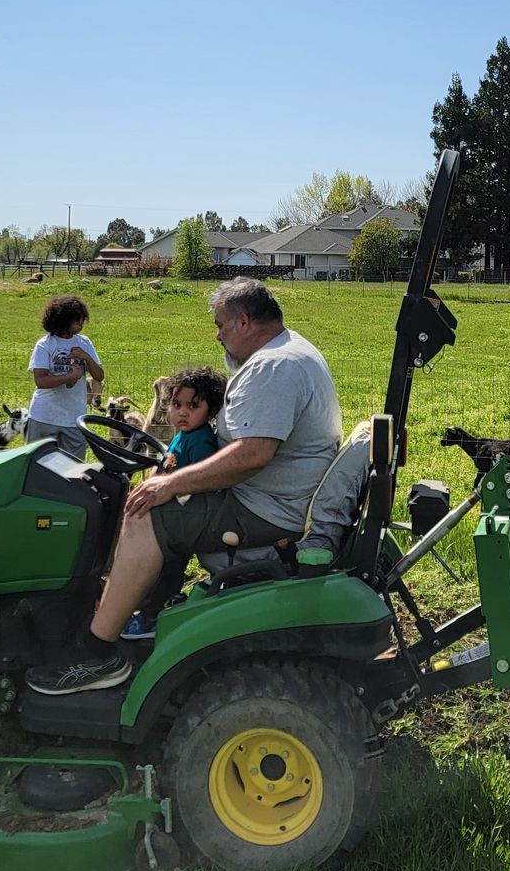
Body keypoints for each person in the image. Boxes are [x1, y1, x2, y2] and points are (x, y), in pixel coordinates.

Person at [26, 278, 341, 694]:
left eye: (221, 325)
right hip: (274, 498)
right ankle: (137, 609)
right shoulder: (290, 350)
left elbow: (253, 454)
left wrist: (170, 485)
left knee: (146, 512)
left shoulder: (273, 367)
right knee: (153, 502)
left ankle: (96, 652)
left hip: (267, 510)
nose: (218, 335)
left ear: (243, 321)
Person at [120, 364, 226, 641]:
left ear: (210, 410)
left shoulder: (201, 441)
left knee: (166, 567)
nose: (182, 412)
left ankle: (152, 616)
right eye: (176, 404)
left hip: (183, 515)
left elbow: (200, 479)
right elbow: (165, 466)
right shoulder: (183, 434)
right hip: (167, 507)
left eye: (193, 406)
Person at [24, 294, 104, 458]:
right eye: (78, 321)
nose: (82, 324)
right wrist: (69, 377)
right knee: (38, 465)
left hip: (74, 418)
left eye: (83, 320)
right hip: (44, 417)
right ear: (63, 321)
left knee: (73, 468)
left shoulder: (84, 343)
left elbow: (99, 375)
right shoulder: (45, 345)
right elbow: (41, 381)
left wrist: (86, 357)